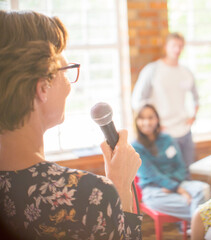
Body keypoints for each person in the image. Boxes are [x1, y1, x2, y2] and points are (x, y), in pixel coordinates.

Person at [0, 10, 142, 239]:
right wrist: (120, 187)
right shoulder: (87, 194)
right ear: (42, 87)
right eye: (65, 72)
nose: (69, 86)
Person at [131, 32, 199, 177]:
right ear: (166, 47)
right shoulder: (153, 70)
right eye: (174, 45)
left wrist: (194, 116)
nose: (177, 49)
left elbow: (196, 98)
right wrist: (152, 123)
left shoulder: (186, 72)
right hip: (163, 132)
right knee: (168, 173)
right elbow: (137, 100)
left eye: (180, 46)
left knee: (186, 171)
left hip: (185, 131)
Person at [131, 104, 211, 226]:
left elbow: (180, 165)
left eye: (150, 117)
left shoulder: (168, 139)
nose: (147, 122)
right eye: (142, 118)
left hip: (178, 182)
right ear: (136, 121)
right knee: (199, 203)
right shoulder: (135, 147)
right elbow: (153, 175)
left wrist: (174, 185)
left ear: (157, 119)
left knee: (204, 189)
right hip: (155, 191)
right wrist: (177, 189)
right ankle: (197, 229)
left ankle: (192, 229)